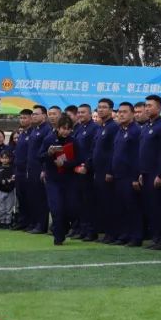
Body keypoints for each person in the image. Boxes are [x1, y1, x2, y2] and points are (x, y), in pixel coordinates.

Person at [138, 94, 161, 250]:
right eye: (146, 105)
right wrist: (140, 172)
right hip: (145, 172)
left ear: (159, 108)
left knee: (159, 207)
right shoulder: (146, 127)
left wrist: (160, 174)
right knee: (150, 207)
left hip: (156, 173)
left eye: (150, 105)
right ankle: (155, 237)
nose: (147, 108)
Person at [42, 115, 79, 245]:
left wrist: (65, 164)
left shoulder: (73, 141)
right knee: (56, 208)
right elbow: (40, 157)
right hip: (53, 180)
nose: (66, 131)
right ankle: (58, 236)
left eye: (68, 129)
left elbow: (79, 159)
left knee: (71, 208)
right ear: (58, 128)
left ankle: (65, 228)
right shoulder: (49, 140)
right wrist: (49, 153)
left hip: (69, 179)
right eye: (63, 128)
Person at [110, 102, 143, 247]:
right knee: (121, 207)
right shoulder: (120, 130)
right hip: (118, 175)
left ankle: (136, 236)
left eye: (124, 112)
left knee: (132, 207)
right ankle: (124, 234)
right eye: (119, 112)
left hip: (130, 176)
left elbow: (137, 156)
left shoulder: (136, 131)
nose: (121, 114)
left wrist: (136, 177)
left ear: (132, 114)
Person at [92, 99, 119, 243]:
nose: (101, 110)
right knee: (101, 203)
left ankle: (112, 233)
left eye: (104, 107)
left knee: (109, 203)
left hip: (107, 172)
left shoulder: (113, 127)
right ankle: (106, 232)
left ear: (111, 110)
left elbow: (113, 151)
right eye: (99, 107)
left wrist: (110, 170)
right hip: (98, 171)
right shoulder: (100, 127)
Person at [71, 103, 97, 240]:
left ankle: (91, 231)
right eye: (79, 112)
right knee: (79, 202)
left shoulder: (94, 128)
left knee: (88, 203)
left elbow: (94, 150)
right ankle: (82, 229)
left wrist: (87, 166)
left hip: (87, 171)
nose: (80, 115)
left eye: (83, 112)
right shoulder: (79, 128)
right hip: (76, 171)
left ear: (90, 113)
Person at [27, 106, 52, 234]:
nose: (33, 116)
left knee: (41, 198)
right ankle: (34, 222)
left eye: (36, 114)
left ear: (44, 116)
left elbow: (46, 152)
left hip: (40, 168)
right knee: (34, 197)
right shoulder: (34, 129)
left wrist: (44, 169)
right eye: (33, 114)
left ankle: (42, 225)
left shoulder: (47, 129)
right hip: (31, 168)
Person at [12, 111, 33, 231]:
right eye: (21, 118)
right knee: (21, 197)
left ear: (31, 119)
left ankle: (30, 222)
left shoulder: (32, 133)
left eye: (25, 118)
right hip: (18, 170)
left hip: (27, 170)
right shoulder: (21, 134)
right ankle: (22, 221)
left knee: (29, 197)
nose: (22, 120)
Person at [0, 150, 17, 228]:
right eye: (3, 158)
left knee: (9, 208)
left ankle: (8, 222)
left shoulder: (12, 169)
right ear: (0, 159)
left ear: (9, 159)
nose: (5, 160)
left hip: (10, 191)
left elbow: (13, 179)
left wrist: (9, 180)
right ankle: (2, 221)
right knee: (1, 208)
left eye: (6, 158)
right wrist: (5, 181)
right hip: (0, 191)